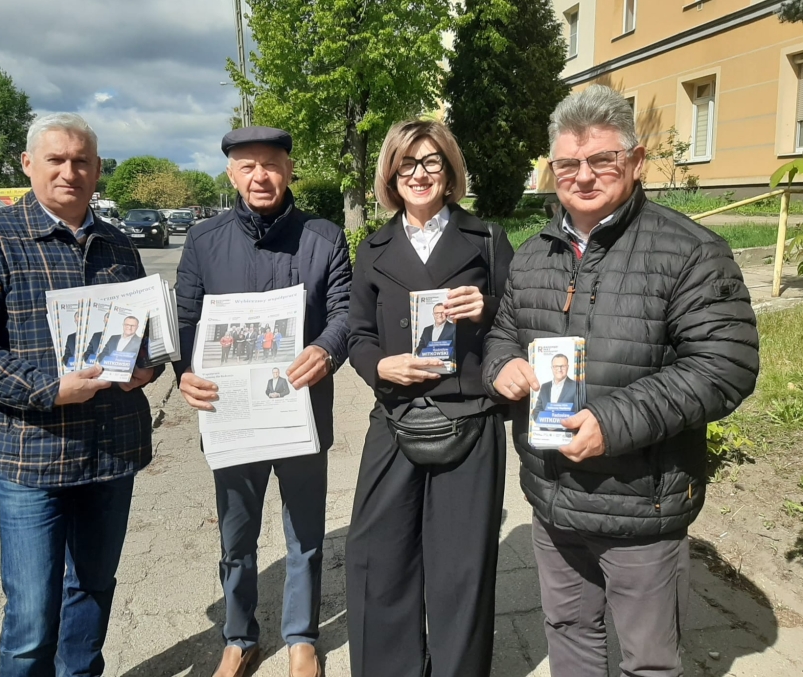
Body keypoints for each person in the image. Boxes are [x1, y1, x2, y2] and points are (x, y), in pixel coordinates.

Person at [482, 85, 759, 677]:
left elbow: (725, 365)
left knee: (649, 661)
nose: (583, 176)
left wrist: (612, 422)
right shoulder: (533, 255)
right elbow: (502, 333)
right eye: (568, 164)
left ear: (635, 161)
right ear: (552, 169)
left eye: (602, 159)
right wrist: (500, 365)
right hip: (552, 494)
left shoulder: (689, 251)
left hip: (639, 505)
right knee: (568, 634)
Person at [0, 112, 160, 677]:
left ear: (97, 169)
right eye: (56, 160)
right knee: (32, 619)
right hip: (33, 456)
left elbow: (147, 335)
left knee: (93, 591)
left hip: (111, 450)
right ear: (28, 164)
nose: (69, 172)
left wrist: (147, 368)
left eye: (81, 161)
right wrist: (47, 389)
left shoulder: (117, 243)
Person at [174, 125, 351, 677]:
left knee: (305, 533)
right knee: (237, 536)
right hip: (231, 417)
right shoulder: (204, 241)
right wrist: (183, 373)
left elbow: (345, 312)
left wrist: (326, 349)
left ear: (290, 170)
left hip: (301, 413)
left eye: (271, 164)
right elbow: (185, 321)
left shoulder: (324, 237)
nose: (260, 176)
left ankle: (301, 637)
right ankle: (239, 636)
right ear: (231, 174)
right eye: (247, 166)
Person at [345, 119, 514, 677]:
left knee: (462, 569)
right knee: (377, 557)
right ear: (391, 174)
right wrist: (378, 366)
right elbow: (358, 333)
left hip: (470, 418)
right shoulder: (373, 249)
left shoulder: (486, 239)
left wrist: (488, 308)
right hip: (396, 413)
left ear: (449, 169)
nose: (419, 174)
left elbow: (520, 323)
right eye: (406, 164)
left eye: (431, 161)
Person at [531, 353, 577, 423]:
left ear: (567, 367)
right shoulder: (544, 387)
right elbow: (537, 411)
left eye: (562, 366)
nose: (559, 369)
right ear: (552, 368)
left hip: (567, 429)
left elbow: (579, 412)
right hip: (545, 428)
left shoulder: (576, 386)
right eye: (556, 366)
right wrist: (546, 424)